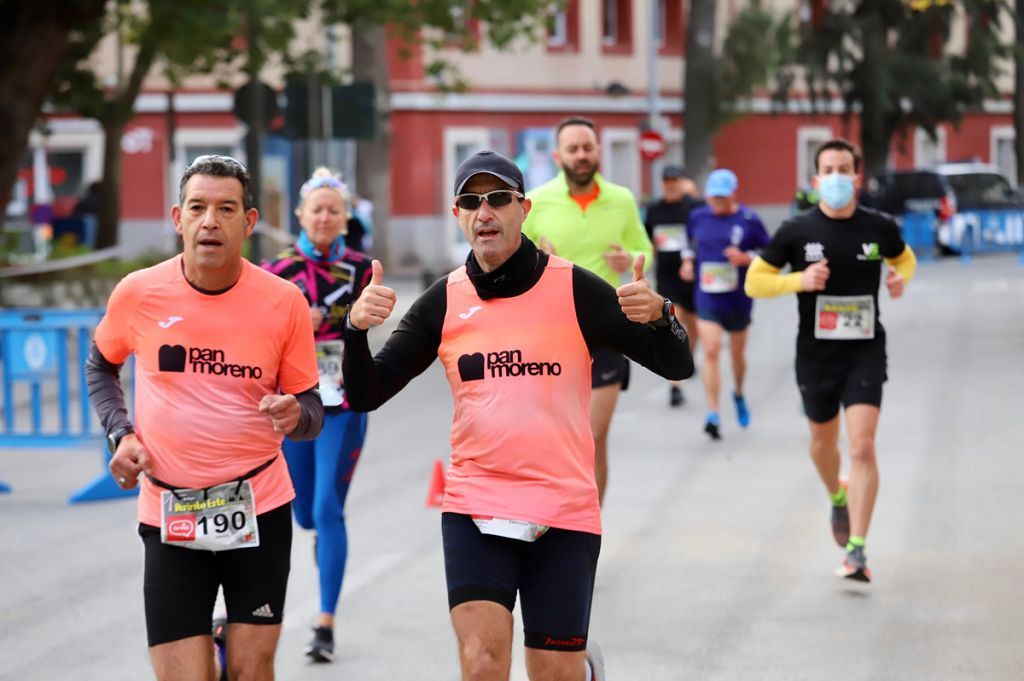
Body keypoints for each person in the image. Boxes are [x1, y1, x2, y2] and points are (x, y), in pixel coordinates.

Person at [342, 150, 692, 681]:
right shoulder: (444, 302)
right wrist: (355, 331)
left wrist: (662, 314)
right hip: (478, 504)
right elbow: (367, 393)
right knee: (483, 663)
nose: (485, 212)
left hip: (563, 506)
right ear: (457, 215)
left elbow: (676, 364)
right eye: (470, 201)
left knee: (554, 672)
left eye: (498, 199)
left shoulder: (575, 289)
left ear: (523, 208)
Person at [85, 154, 324, 681]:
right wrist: (120, 434)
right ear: (178, 217)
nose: (210, 221)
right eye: (197, 207)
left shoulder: (284, 302)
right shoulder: (139, 292)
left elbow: (312, 408)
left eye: (225, 208)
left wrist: (295, 414)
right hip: (170, 510)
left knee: (250, 670)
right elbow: (101, 364)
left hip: (258, 507)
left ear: (249, 221)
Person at [744, 139, 917, 582]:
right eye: (829, 169)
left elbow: (905, 259)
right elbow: (754, 283)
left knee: (861, 446)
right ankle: (837, 497)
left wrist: (899, 278)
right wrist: (800, 280)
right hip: (816, 354)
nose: (838, 177)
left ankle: (857, 550)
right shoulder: (795, 231)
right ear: (817, 179)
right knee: (824, 443)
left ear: (857, 177)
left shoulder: (879, 226)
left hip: (865, 348)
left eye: (845, 168)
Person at [262, 167, 373, 663]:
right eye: (317, 209)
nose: (325, 217)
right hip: (296, 405)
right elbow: (260, 338)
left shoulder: (363, 269)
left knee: (328, 508)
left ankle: (325, 621)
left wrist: (343, 326)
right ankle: (318, 541)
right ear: (301, 215)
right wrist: (292, 323)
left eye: (335, 209)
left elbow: (369, 331)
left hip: (344, 405)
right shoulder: (273, 271)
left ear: (346, 217)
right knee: (303, 510)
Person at [522, 116, 654, 505]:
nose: (582, 156)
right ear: (557, 155)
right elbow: (509, 262)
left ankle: (587, 533)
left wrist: (628, 259)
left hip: (608, 329)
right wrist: (538, 261)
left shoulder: (622, 199)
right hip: (551, 333)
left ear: (598, 151)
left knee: (593, 438)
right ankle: (556, 523)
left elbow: (647, 251)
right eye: (573, 149)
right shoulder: (537, 202)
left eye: (588, 147)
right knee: (554, 441)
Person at [679, 169, 769, 440]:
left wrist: (747, 257)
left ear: (733, 193)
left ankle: (739, 393)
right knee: (711, 349)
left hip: (739, 297)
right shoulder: (698, 217)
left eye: (722, 197)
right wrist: (687, 262)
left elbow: (771, 252)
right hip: (707, 295)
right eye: (713, 197)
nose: (716, 202)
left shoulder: (749, 220)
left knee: (737, 355)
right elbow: (689, 243)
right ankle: (713, 412)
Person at [645, 164, 704, 407]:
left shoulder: (693, 208)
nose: (671, 184)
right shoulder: (655, 210)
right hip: (666, 275)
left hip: (691, 274)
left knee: (693, 323)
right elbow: (648, 239)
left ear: (682, 182)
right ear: (662, 183)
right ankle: (675, 385)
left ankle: (688, 352)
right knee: (673, 319)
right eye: (667, 180)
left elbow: (704, 230)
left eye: (675, 180)